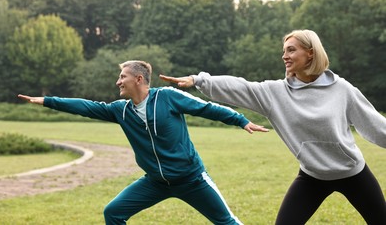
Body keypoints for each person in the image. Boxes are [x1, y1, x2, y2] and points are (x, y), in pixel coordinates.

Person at [160, 29, 386, 224]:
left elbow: (375, 125)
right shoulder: (276, 93)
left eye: (291, 50)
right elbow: (242, 87)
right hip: (313, 175)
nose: (284, 56)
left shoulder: (341, 89)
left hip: (353, 173)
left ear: (310, 53)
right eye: (284, 51)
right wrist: (199, 80)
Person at [18, 60, 269, 225]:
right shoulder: (120, 110)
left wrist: (240, 120)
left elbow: (206, 108)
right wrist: (48, 100)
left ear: (138, 79)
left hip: (191, 179)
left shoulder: (168, 97)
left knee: (227, 222)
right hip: (155, 182)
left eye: (122, 76)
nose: (118, 81)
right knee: (113, 213)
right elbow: (86, 106)